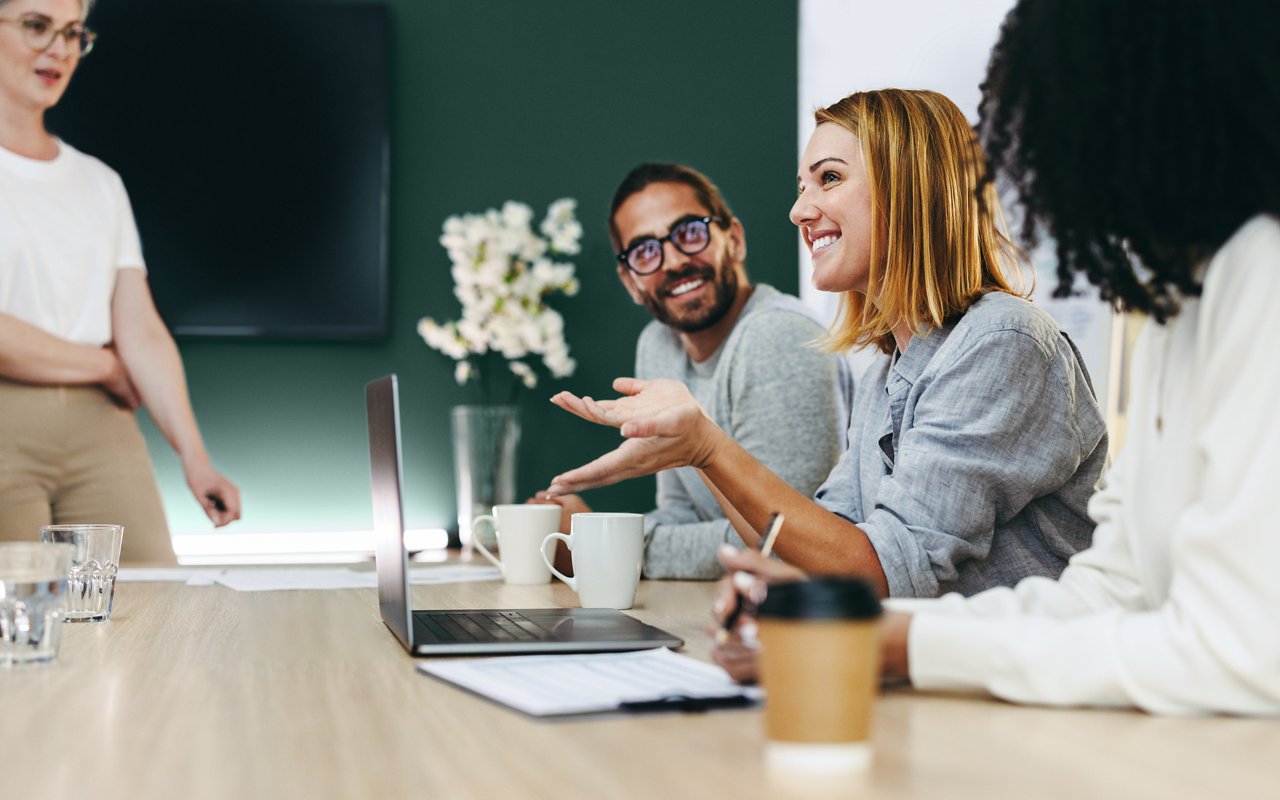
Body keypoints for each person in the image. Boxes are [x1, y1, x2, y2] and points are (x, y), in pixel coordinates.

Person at [714, 0, 1280, 715]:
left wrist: (897, 643)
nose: (1040, 154)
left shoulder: (1258, 271)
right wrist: (863, 629)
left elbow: (1241, 654)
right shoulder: (1180, 304)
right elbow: (1110, 591)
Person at [546, 89, 1108, 598]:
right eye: (802, 187)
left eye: (830, 178)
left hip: (1018, 695)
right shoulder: (885, 374)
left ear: (907, 186)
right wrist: (702, 457)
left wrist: (706, 448)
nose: (798, 211)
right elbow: (818, 546)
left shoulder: (1001, 341)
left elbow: (884, 572)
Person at [0, 0, 240, 564]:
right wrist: (105, 366)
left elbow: (141, 329)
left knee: (152, 613)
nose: (58, 49)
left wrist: (195, 457)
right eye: (37, 26)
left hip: (101, 431)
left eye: (73, 33)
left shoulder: (99, 183)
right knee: (19, 634)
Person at [539, 163, 854, 579]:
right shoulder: (658, 345)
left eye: (689, 232)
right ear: (631, 281)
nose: (672, 261)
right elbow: (681, 515)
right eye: (645, 251)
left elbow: (785, 547)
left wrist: (599, 544)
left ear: (735, 240)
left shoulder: (780, 336)